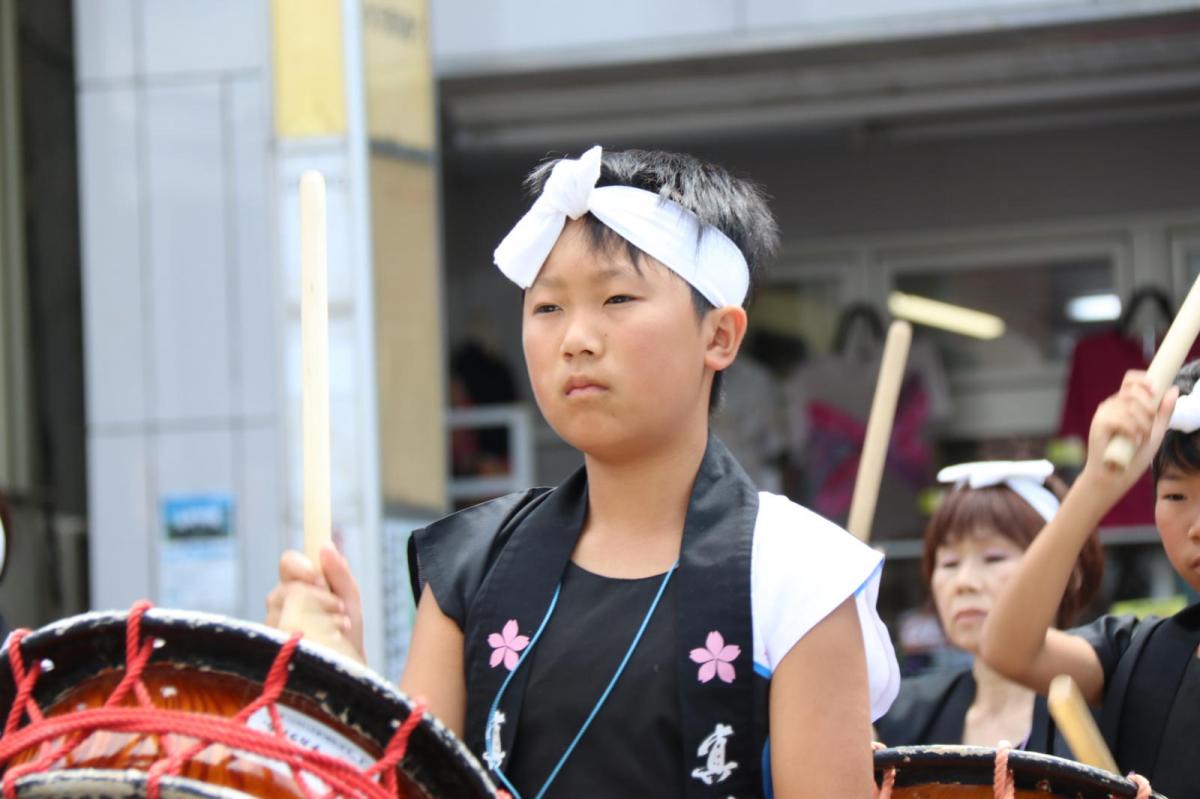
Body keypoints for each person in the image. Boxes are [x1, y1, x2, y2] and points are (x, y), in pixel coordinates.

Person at [267, 145, 900, 798]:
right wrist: (333, 672)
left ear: (720, 336)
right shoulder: (471, 564)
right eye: (547, 308)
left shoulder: (799, 576)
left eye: (618, 297)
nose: (576, 338)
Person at [981, 363, 1200, 797]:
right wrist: (1096, 484)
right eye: (1175, 496)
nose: (1196, 526)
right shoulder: (1144, 656)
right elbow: (1010, 650)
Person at [876, 460, 1102, 752]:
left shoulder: (1107, 711)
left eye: (993, 557)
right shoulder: (902, 717)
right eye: (949, 563)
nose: (964, 582)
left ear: (1069, 572)